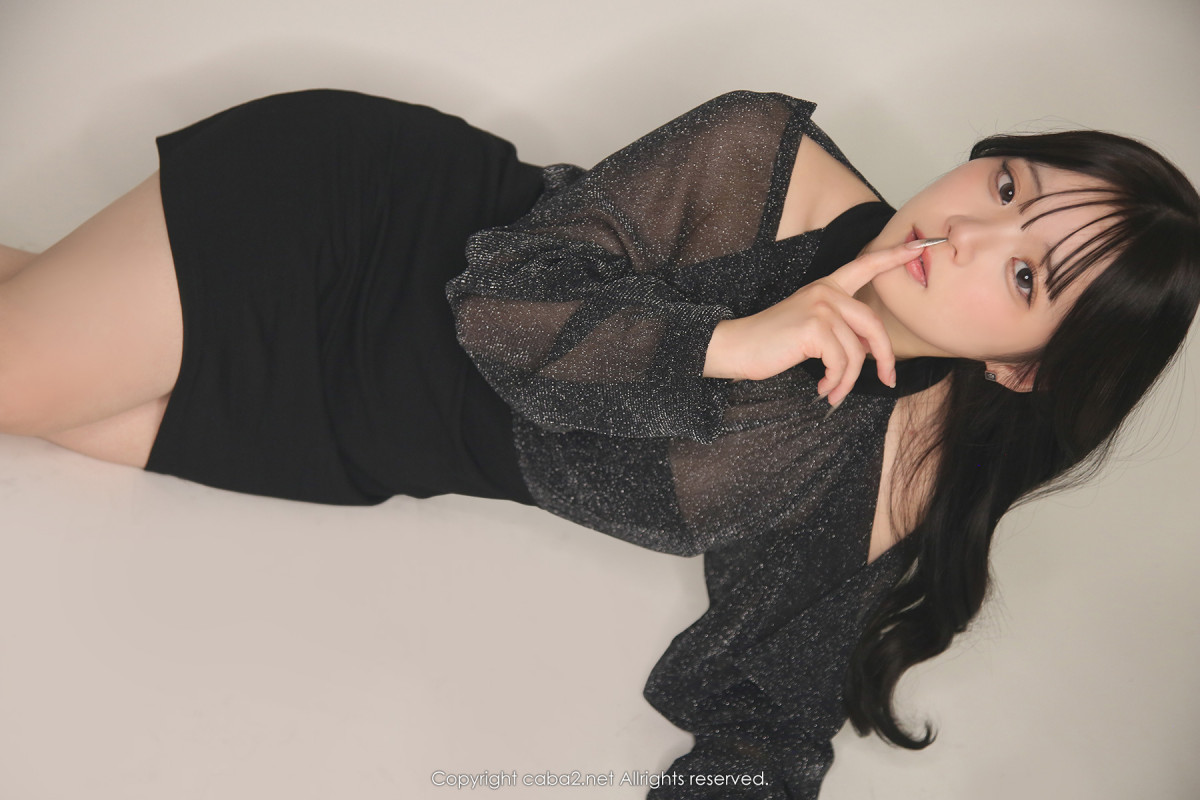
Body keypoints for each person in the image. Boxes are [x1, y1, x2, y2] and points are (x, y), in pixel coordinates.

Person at [1, 88, 1197, 798]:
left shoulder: (885, 475)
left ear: (1026, 369)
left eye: (1027, 274)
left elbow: (763, 710)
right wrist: (728, 341)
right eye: (1007, 186)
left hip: (364, 441)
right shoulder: (769, 161)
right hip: (349, 227)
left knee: (35, 369)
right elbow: (497, 308)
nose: (970, 233)